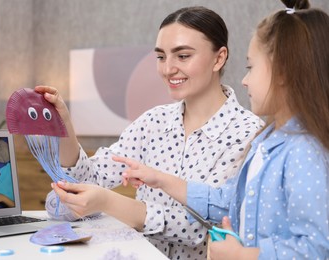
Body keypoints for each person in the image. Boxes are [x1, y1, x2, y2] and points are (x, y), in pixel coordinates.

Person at [113, 0, 329, 259]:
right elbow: (228, 201)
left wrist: (244, 256)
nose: (244, 79)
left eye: (251, 67)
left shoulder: (304, 153)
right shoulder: (267, 140)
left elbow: (319, 248)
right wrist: (160, 179)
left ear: (283, 71)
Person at [43, 6, 262, 259]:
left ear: (219, 58)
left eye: (182, 56)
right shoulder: (152, 121)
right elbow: (89, 177)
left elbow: (202, 228)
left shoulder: (247, 133)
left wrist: (108, 202)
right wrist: (64, 124)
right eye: (161, 57)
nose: (168, 69)